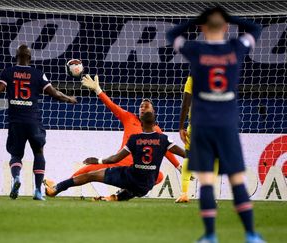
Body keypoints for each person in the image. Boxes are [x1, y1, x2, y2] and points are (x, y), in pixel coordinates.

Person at [167, 6, 264, 243]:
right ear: (226, 27)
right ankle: (251, 235)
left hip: (201, 126)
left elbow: (172, 35)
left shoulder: (196, 50)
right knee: (237, 180)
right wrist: (228, 15)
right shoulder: (235, 49)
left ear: (202, 27)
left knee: (207, 181)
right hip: (226, 124)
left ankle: (210, 236)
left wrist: (197, 20)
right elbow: (255, 28)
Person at [46, 74, 183, 201]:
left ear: (153, 112)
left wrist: (178, 166)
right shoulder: (129, 118)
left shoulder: (158, 132)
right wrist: (98, 89)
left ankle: (119, 196)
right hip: (120, 164)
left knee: (159, 176)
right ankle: (57, 187)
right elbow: (111, 105)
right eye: (141, 106)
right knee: (89, 170)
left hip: (138, 170)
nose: (142, 108)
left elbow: (167, 151)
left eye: (146, 106)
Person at [0, 44, 77, 200]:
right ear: (30, 58)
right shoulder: (38, 74)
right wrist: (69, 98)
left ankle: (16, 178)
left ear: (16, 56)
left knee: (16, 155)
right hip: (33, 121)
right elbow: (55, 93)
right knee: (38, 152)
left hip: (15, 121)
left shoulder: (7, 72)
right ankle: (37, 191)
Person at [44, 110, 186, 200]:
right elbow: (184, 153)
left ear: (140, 123)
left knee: (91, 175)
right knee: (148, 181)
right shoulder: (164, 139)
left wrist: (98, 160)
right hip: (146, 185)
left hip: (129, 177)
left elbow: (116, 158)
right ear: (156, 123)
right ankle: (115, 198)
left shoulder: (135, 139)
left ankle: (56, 189)